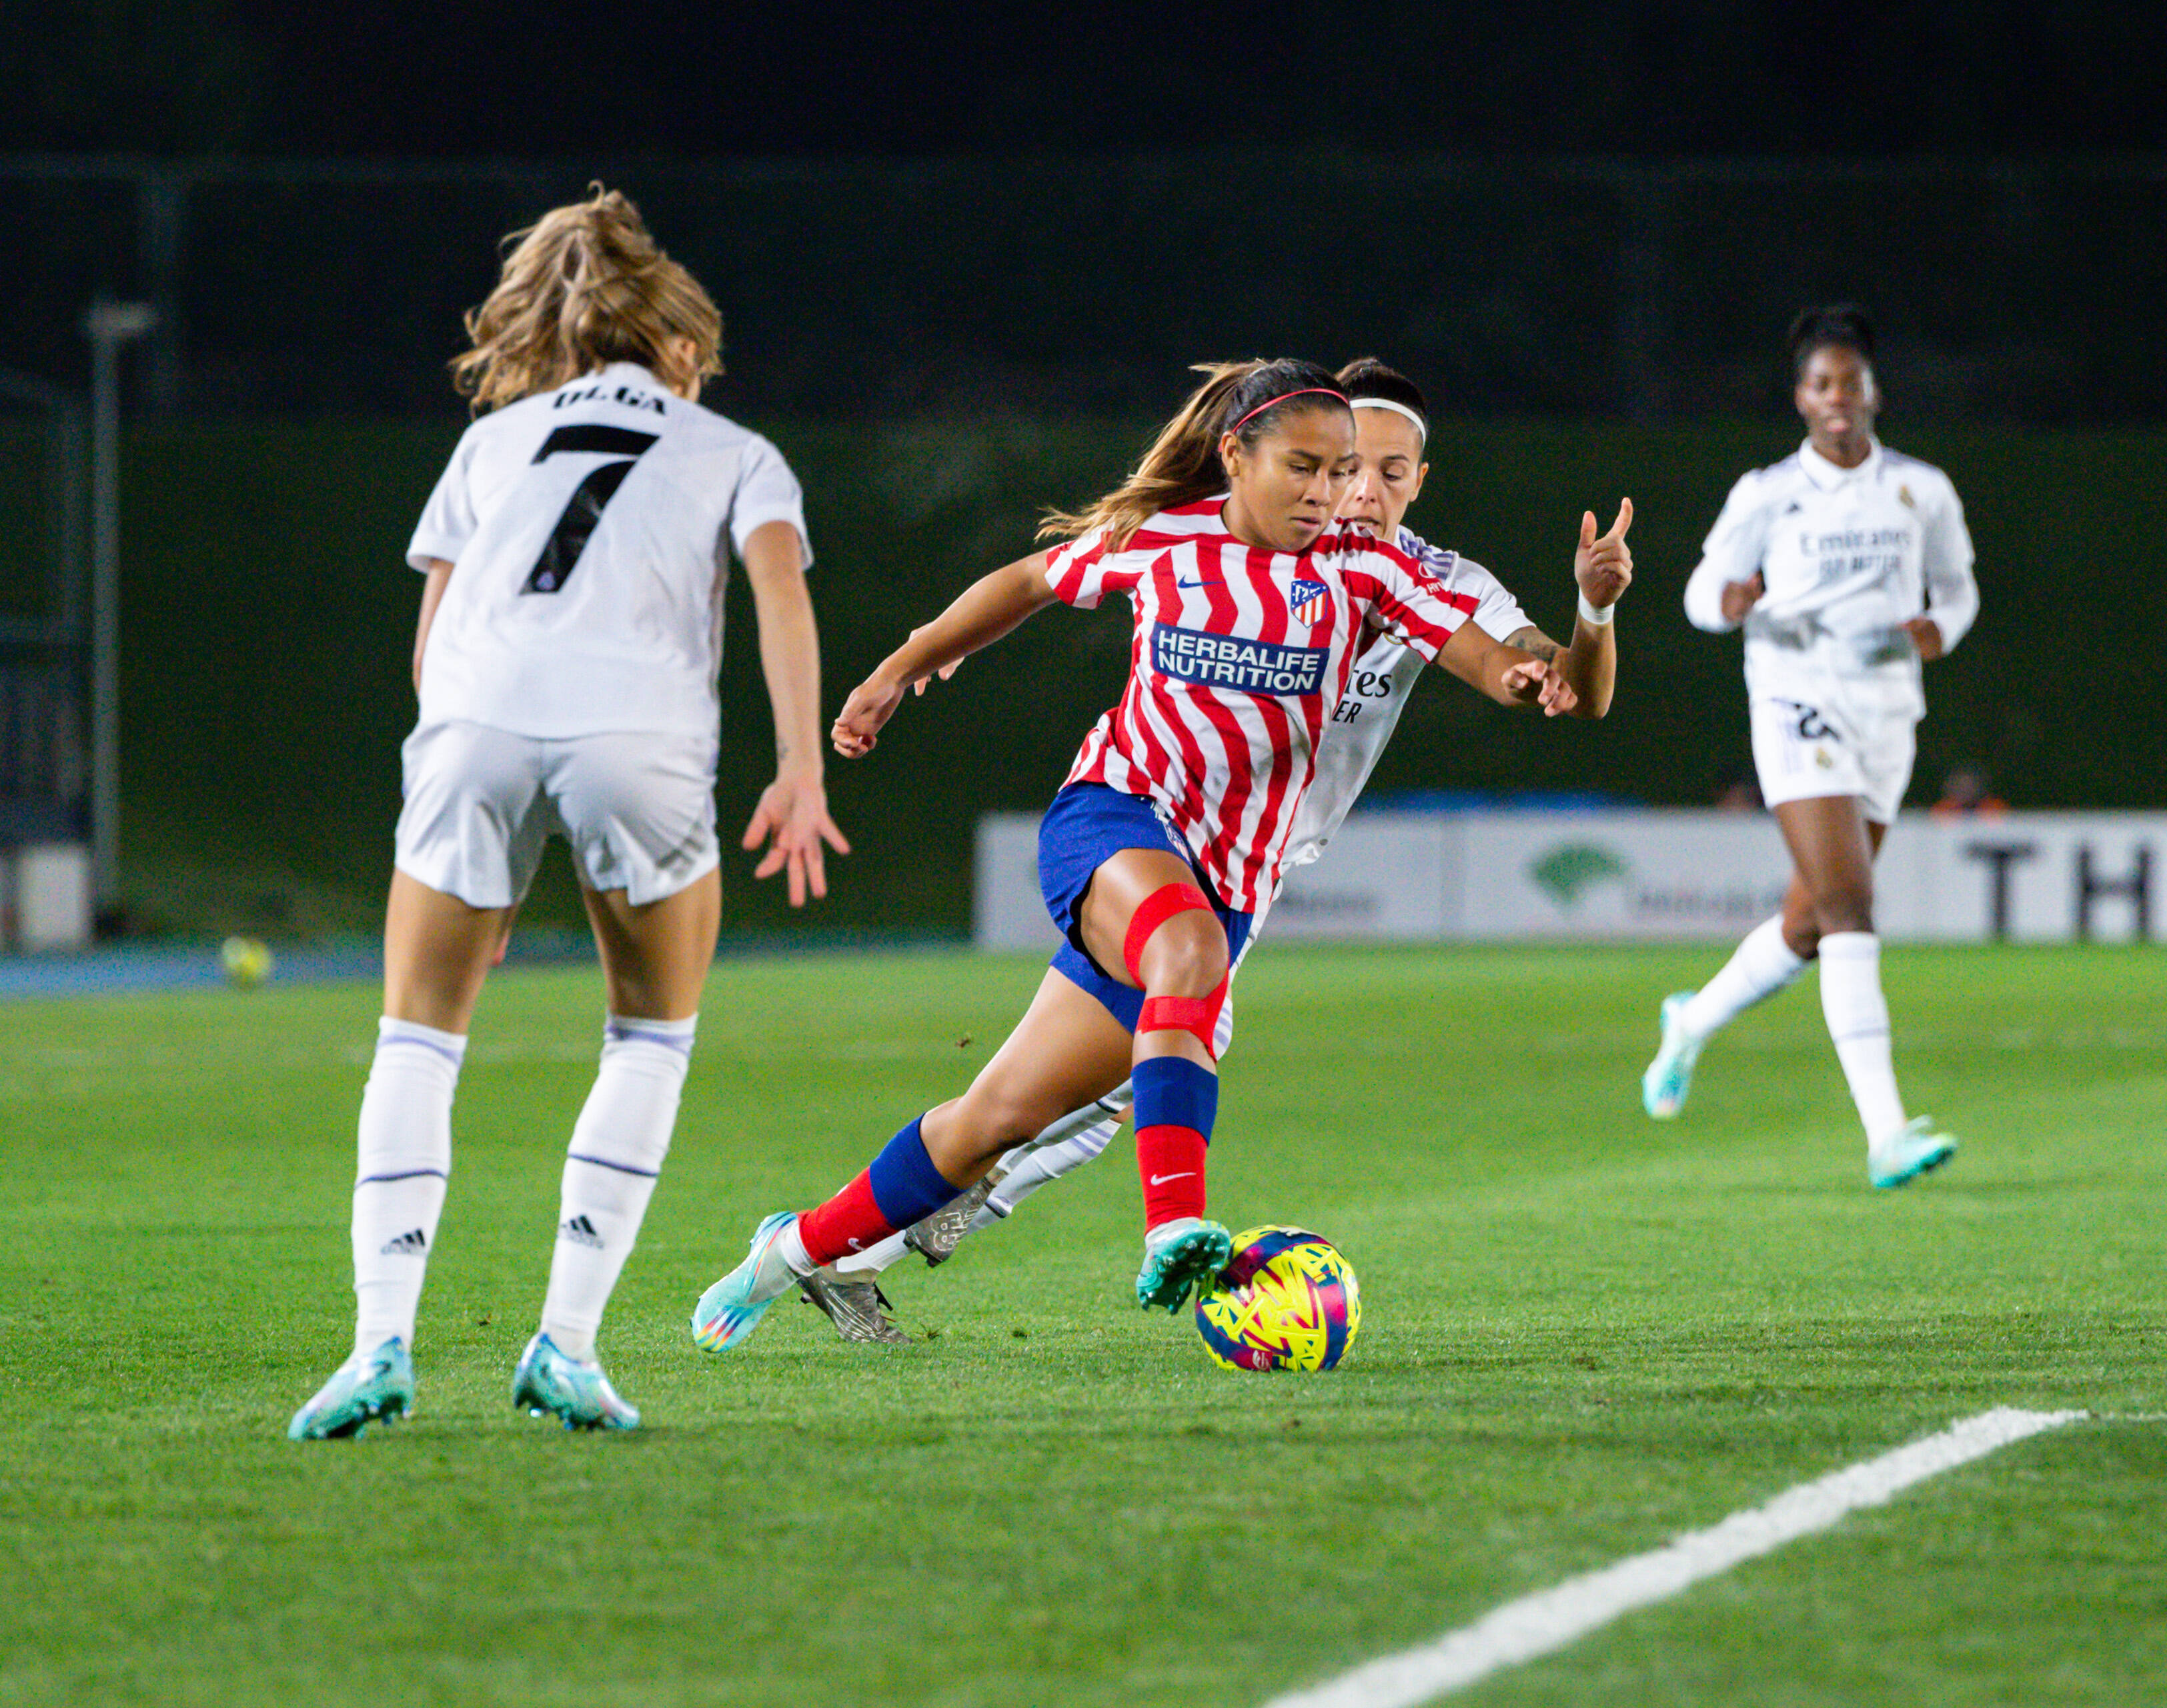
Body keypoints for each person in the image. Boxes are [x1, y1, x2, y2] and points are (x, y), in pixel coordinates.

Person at [688, 358, 1574, 1352]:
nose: (1329, 495)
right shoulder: (1167, 539)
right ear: (1236, 455)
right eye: (1307, 468)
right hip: (1113, 818)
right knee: (1185, 954)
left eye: (1342, 474)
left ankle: (793, 1250)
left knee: (996, 1118)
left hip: (1231, 880)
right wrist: (907, 662)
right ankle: (1176, 1227)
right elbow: (1029, 579)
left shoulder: (1368, 573)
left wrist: (1548, 659)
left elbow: (1490, 659)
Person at [287, 187, 846, 1439]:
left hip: (472, 723)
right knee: (649, 1037)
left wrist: (462, 817)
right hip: (637, 733)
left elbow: (435, 638)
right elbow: (779, 595)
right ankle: (568, 1346)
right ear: (683, 350)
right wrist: (799, 768)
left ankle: (379, 1340)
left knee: (416, 1039)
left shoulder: (494, 440)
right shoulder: (734, 449)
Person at [1643, 305, 1978, 1188]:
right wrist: (1729, 602)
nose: (1838, 398)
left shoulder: (1922, 490)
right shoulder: (1767, 494)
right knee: (1847, 910)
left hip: (1887, 711)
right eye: (1821, 384)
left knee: (1806, 920)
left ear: (1874, 392)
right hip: (1795, 699)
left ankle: (1692, 1020)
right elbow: (1700, 590)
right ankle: (1888, 1132)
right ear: (1802, 397)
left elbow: (1959, 589)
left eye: (1851, 383)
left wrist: (1940, 628)